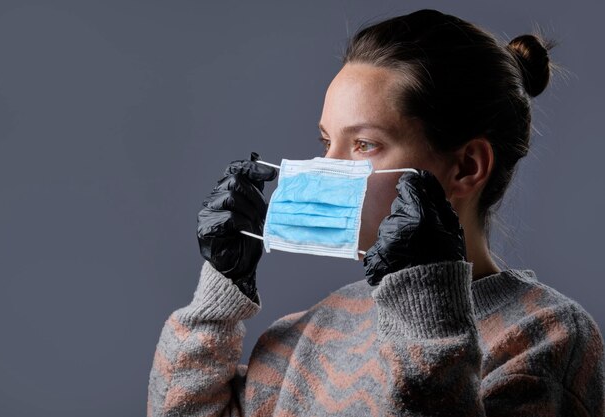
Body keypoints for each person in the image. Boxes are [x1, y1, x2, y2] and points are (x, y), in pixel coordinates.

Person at [147, 8, 604, 416]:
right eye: (328, 142)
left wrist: (425, 306)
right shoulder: (309, 331)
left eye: (364, 144)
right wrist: (218, 297)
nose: (325, 169)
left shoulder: (548, 337)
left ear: (466, 167)